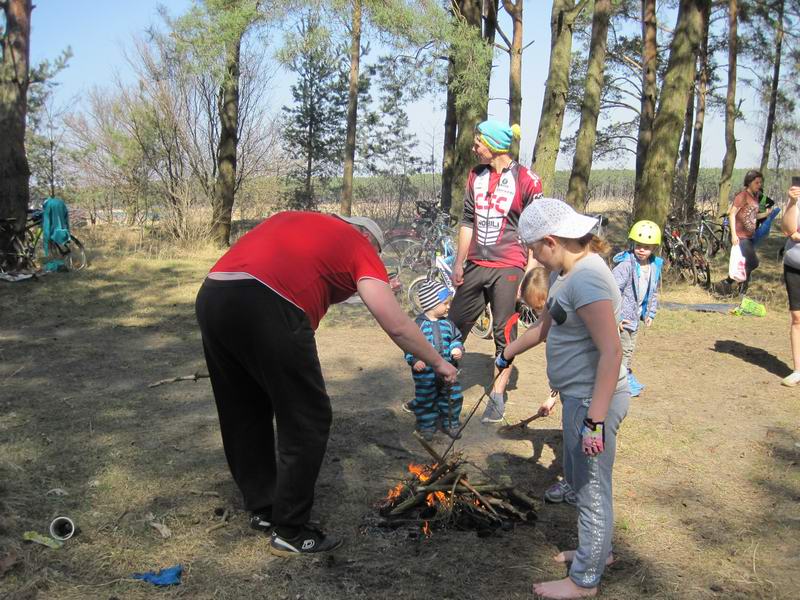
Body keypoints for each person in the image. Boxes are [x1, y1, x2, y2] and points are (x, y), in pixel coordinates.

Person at [195, 211, 457, 557]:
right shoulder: (359, 246)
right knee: (308, 417)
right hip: (268, 306)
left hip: (214, 295)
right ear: (367, 237)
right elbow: (396, 324)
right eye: (376, 253)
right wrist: (439, 362)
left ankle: (263, 508)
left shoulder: (304, 222)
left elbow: (316, 278)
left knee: (244, 408)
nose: (374, 260)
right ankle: (290, 530)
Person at [495, 198, 629, 599]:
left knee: (590, 488)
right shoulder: (564, 276)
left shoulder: (587, 279)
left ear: (552, 241)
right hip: (578, 398)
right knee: (580, 479)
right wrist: (508, 352)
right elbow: (546, 329)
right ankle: (595, 551)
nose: (532, 257)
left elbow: (612, 351)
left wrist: (595, 420)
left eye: (534, 248)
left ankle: (585, 579)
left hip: (594, 400)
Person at [449, 119, 543, 424]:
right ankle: (436, 387)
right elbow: (467, 220)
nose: (474, 147)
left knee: (504, 332)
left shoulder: (528, 179)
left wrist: (529, 275)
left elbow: (536, 230)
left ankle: (498, 396)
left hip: (510, 266)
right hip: (477, 263)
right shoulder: (475, 175)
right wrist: (459, 261)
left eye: (479, 142)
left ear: (494, 145)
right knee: (451, 326)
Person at [403, 279, 464, 441]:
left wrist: (457, 348)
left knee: (452, 397)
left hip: (448, 370)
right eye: (445, 303)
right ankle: (427, 425)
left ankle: (451, 423)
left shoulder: (448, 324)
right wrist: (414, 359)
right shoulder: (418, 326)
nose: (448, 306)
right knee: (426, 399)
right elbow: (408, 345)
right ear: (431, 303)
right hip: (425, 373)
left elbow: (456, 338)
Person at [611, 220, 663, 397]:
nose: (642, 250)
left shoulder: (654, 267)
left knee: (629, 349)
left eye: (646, 247)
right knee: (623, 350)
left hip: (636, 317)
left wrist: (650, 313)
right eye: (639, 245)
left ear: (654, 248)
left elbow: (652, 292)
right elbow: (612, 290)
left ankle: (622, 378)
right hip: (623, 318)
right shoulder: (626, 265)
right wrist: (615, 317)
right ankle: (620, 383)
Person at [728, 170, 764, 294]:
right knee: (753, 262)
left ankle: (741, 291)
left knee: (746, 262)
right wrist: (733, 234)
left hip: (749, 236)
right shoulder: (742, 196)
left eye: (760, 182)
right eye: (757, 182)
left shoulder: (755, 197)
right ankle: (731, 281)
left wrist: (767, 214)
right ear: (749, 182)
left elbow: (753, 216)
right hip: (740, 236)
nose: (759, 185)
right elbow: (732, 214)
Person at [780, 185, 800, 386]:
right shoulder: (797, 197)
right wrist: (793, 202)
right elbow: (787, 229)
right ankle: (797, 370)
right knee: (797, 318)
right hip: (794, 265)